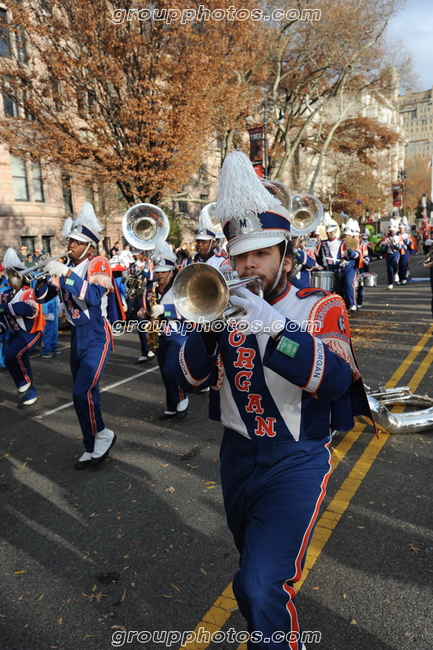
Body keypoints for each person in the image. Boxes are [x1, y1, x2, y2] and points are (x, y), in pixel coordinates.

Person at [175, 151, 374, 650]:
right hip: (237, 456)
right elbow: (187, 377)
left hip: (296, 459)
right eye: (241, 255)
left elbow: (331, 381)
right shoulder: (225, 301)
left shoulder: (319, 306)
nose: (249, 265)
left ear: (285, 253)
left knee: (262, 583)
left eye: (261, 253)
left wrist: (269, 324)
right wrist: (206, 322)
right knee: (251, 578)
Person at [35, 202, 116, 469]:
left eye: (77, 241)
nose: (71, 244)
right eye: (70, 239)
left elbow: (93, 296)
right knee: (84, 393)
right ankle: (91, 443)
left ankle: (102, 434)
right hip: (76, 336)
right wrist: (41, 277)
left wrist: (66, 274)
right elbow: (41, 297)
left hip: (95, 333)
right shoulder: (64, 265)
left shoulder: (98, 262)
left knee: (82, 392)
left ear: (90, 247)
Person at [142, 240, 189, 420]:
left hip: (178, 334)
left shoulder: (180, 288)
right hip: (159, 334)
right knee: (163, 372)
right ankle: (171, 405)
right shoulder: (151, 290)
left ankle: (182, 396)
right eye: (157, 271)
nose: (159, 275)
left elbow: (188, 310)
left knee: (171, 369)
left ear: (171, 272)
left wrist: (166, 310)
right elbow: (148, 311)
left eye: (162, 272)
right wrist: (144, 311)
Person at [0, 249, 46, 406]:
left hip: (30, 332)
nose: (10, 279)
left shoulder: (29, 292)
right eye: (9, 275)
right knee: (21, 361)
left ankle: (24, 382)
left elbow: (26, 309)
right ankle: (29, 393)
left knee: (12, 355)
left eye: (14, 276)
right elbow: (5, 318)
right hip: (15, 333)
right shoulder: (5, 294)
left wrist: (1, 308)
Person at [181, 206, 231, 271]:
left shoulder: (221, 262)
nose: (200, 245)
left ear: (212, 243)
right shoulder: (187, 262)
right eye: (198, 241)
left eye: (204, 242)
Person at [381, 219, 400, 289]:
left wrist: (395, 244)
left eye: (393, 230)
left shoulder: (398, 237)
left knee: (395, 263)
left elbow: (399, 247)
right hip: (389, 254)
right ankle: (390, 283)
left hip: (395, 253)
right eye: (390, 230)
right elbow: (383, 248)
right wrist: (388, 245)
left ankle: (396, 273)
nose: (392, 232)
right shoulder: (385, 238)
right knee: (389, 269)